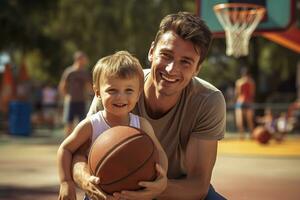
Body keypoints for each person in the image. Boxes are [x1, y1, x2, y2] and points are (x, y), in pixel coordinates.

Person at [73, 12, 226, 200]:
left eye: (185, 62)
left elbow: (198, 185)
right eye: (166, 55)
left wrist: (157, 189)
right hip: (116, 189)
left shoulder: (208, 100)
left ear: (197, 69)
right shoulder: (116, 89)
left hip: (175, 189)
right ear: (152, 51)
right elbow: (79, 154)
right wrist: (84, 178)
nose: (171, 69)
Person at [57, 51, 168, 200]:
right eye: (112, 90)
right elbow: (65, 149)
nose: (120, 96)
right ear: (97, 93)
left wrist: (162, 176)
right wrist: (66, 182)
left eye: (129, 90)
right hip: (98, 195)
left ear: (138, 94)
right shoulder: (91, 125)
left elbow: (159, 152)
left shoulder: (141, 125)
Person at [58, 51, 93, 136]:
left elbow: (88, 87)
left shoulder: (85, 73)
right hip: (71, 101)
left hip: (82, 101)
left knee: (82, 123)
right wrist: (66, 96)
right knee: (69, 122)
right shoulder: (69, 72)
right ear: (78, 59)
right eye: (84, 59)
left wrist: (94, 94)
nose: (85, 61)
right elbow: (62, 86)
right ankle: (67, 143)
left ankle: (79, 143)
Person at [235, 67, 256, 139]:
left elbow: (238, 93)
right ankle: (252, 135)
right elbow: (252, 94)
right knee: (249, 120)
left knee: (240, 120)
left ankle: (241, 135)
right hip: (248, 102)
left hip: (240, 102)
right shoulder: (251, 82)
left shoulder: (239, 82)